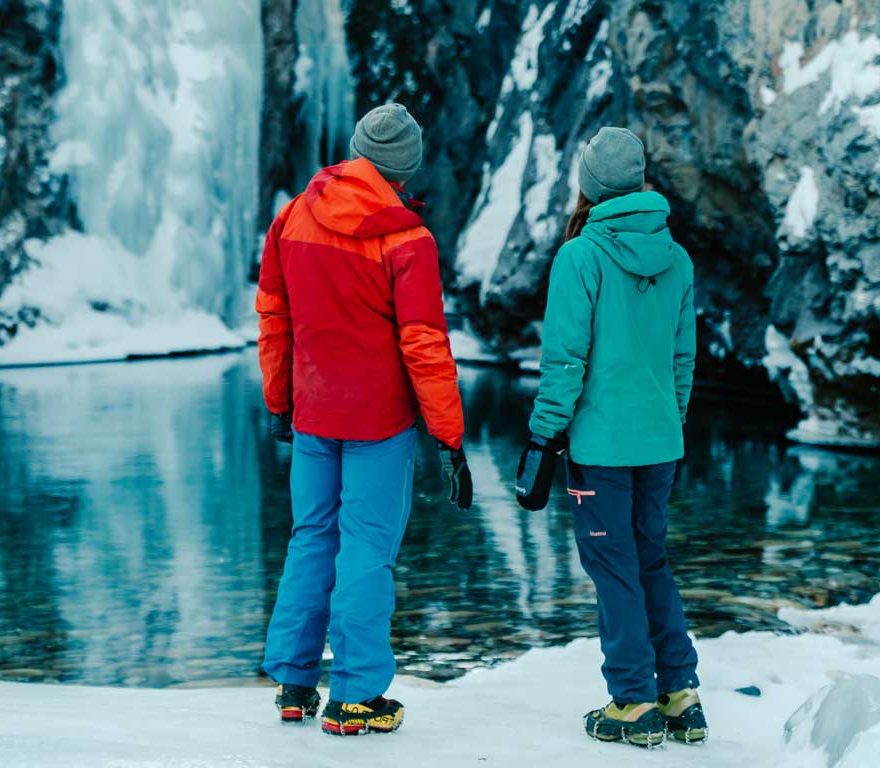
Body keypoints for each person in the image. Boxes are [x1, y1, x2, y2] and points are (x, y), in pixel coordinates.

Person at [256, 103, 473, 736]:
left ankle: (295, 684)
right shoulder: (407, 240)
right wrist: (450, 438)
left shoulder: (292, 217)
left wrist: (279, 401)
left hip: (313, 414)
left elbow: (274, 318)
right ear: (406, 166)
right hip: (379, 422)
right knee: (368, 550)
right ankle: (355, 696)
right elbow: (425, 343)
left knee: (311, 537)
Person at [516, 127, 706, 748]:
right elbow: (683, 360)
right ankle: (680, 694)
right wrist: (668, 421)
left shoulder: (580, 256)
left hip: (599, 449)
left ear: (591, 184)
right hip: (659, 442)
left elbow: (565, 361)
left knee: (613, 566)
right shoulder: (677, 258)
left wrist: (543, 434)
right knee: (651, 558)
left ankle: (632, 702)